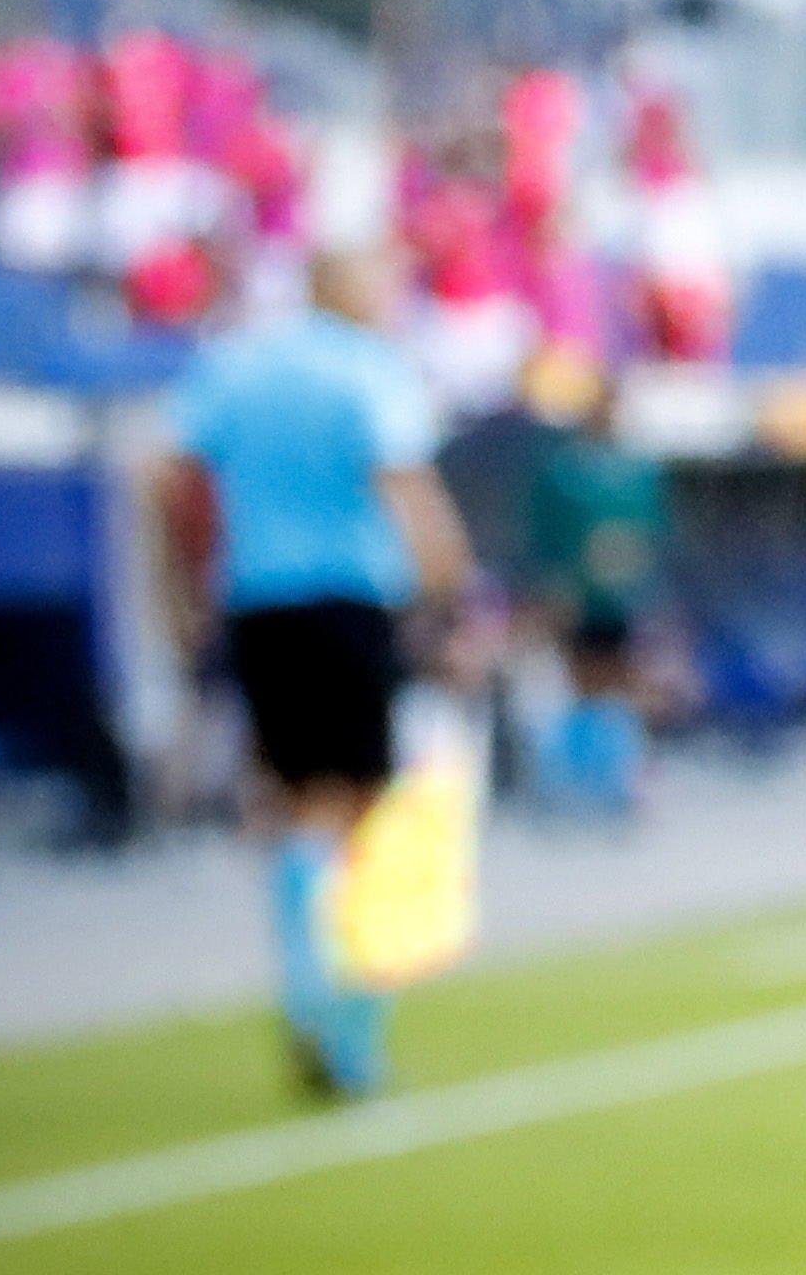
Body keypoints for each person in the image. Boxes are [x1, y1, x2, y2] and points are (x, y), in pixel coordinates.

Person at [162, 249, 469, 1099]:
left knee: (293, 803)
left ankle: (302, 983)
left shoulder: (235, 365)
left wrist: (183, 589)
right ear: (348, 288)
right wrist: (454, 597)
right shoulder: (367, 371)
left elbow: (174, 475)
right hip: (349, 602)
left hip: (258, 606)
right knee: (365, 809)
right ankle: (347, 1024)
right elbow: (408, 487)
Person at [518, 372, 666, 820]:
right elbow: (544, 541)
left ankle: (625, 778)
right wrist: (555, 589)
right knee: (582, 685)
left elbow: (654, 534)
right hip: (579, 600)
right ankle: (584, 783)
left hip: (624, 599)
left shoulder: (638, 471)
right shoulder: (563, 474)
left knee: (627, 686)